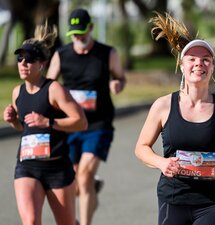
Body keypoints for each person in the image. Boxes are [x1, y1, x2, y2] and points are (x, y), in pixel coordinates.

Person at [135, 12, 215, 225]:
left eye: (206, 60)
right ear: (182, 65)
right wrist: (161, 163)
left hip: (213, 200)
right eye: (192, 59)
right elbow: (141, 148)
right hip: (173, 198)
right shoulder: (163, 106)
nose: (199, 64)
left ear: (212, 67)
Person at [46, 8, 126, 225]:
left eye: (82, 32)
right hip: (70, 125)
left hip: (98, 124)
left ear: (91, 28)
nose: (78, 37)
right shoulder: (61, 55)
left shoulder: (107, 53)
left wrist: (117, 83)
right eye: (74, 33)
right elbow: (48, 86)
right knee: (74, 182)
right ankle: (90, 190)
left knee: (84, 176)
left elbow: (120, 77)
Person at [3, 22, 87, 225]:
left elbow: (81, 122)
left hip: (56, 167)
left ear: (41, 64)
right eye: (19, 58)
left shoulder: (54, 89)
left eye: (29, 59)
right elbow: (25, 128)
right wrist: (14, 121)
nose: (23, 63)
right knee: (30, 221)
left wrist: (48, 121)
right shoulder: (17, 92)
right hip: (27, 165)